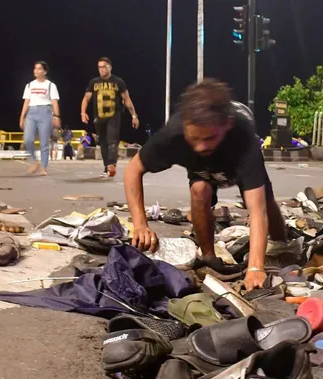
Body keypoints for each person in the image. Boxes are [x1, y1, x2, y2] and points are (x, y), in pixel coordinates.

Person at [123, 79, 287, 292]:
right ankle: (209, 257)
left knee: (267, 202)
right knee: (199, 190)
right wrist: (140, 224)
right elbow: (132, 171)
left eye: (209, 138)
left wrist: (255, 267)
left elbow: (257, 211)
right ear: (185, 126)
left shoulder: (243, 138)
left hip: (233, 161)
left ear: (227, 124)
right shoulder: (172, 135)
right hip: (202, 170)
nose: (201, 146)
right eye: (194, 138)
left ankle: (283, 245)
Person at [80, 57, 139, 178]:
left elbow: (127, 99)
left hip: (114, 114)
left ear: (110, 67)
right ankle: (107, 166)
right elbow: (86, 98)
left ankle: (112, 164)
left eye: (104, 67)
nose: (101, 69)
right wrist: (83, 112)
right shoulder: (94, 82)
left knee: (112, 139)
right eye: (99, 67)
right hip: (99, 116)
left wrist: (134, 115)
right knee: (102, 141)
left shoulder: (118, 82)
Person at [19, 60, 61, 175]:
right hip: (31, 113)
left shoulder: (50, 85)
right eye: (35, 68)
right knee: (28, 139)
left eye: (39, 69)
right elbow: (26, 102)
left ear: (45, 71)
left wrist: (56, 116)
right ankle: (34, 161)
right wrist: (22, 117)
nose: (36, 71)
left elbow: (54, 101)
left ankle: (43, 167)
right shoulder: (30, 85)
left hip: (45, 112)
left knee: (44, 142)